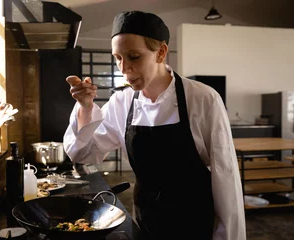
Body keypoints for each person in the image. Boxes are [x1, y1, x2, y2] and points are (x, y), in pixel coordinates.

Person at [63, 10, 246, 240]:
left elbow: (225, 177)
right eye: (118, 57)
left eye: (134, 56)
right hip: (146, 221)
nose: (124, 68)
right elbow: (81, 152)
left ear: (160, 52)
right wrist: (86, 107)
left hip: (194, 224)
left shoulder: (203, 99)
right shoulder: (122, 102)